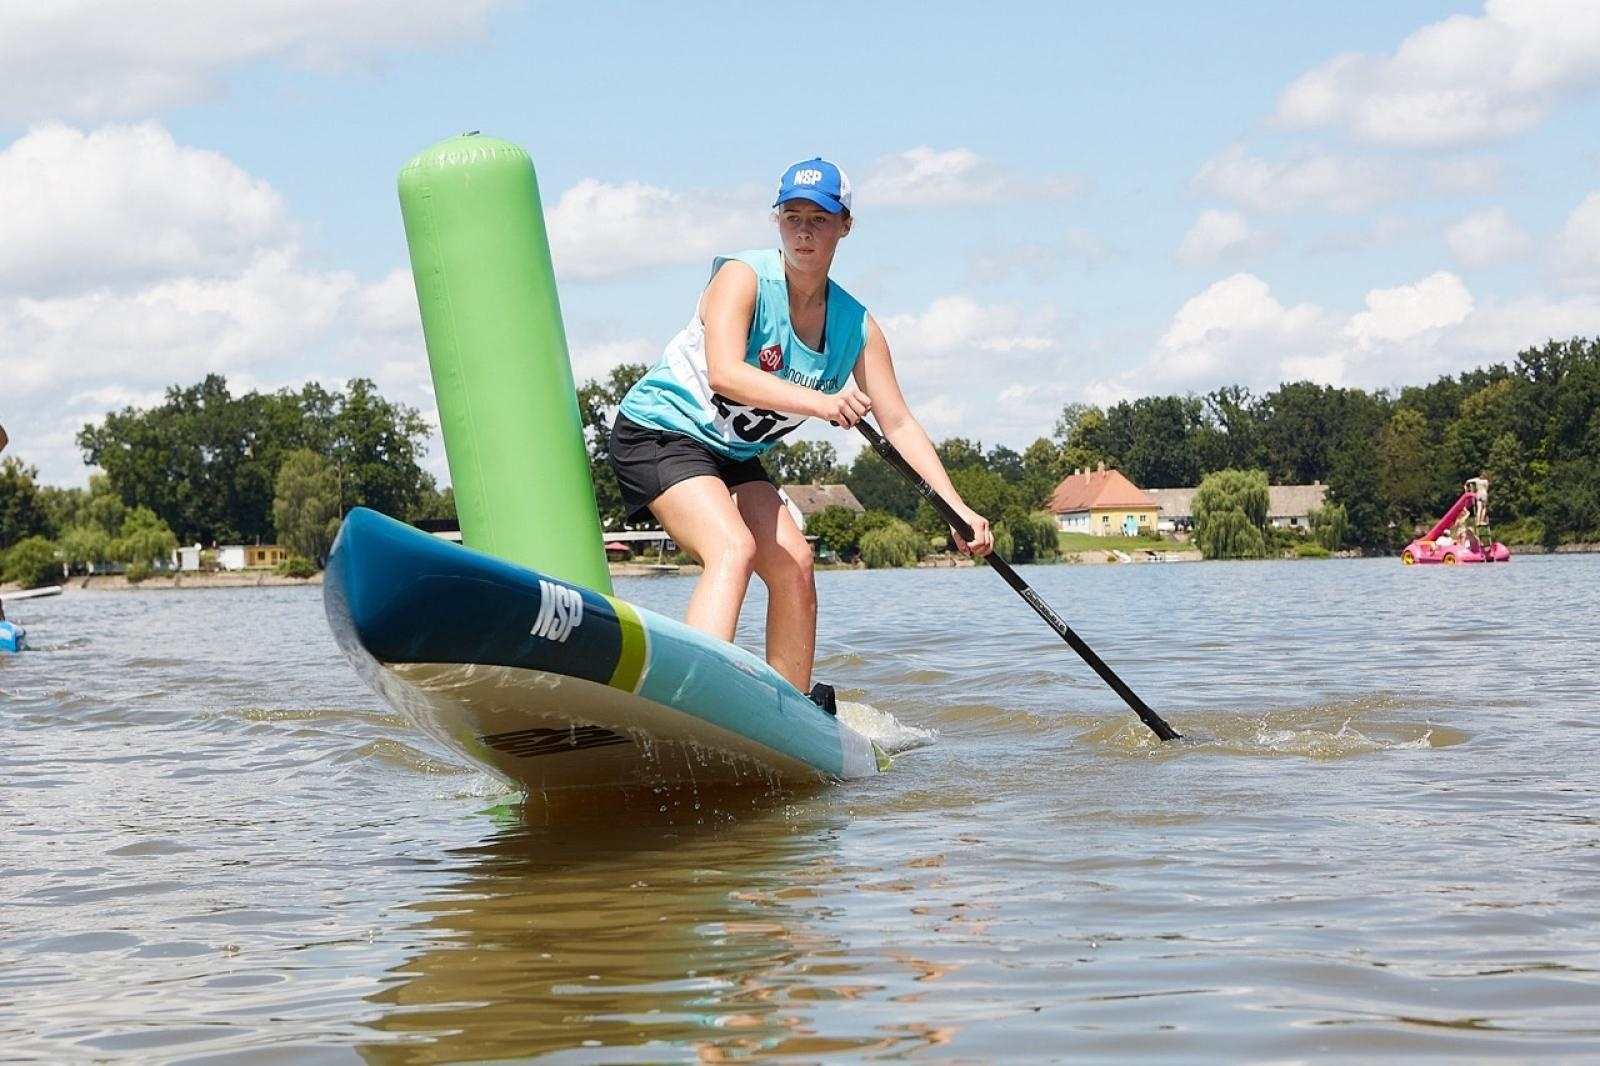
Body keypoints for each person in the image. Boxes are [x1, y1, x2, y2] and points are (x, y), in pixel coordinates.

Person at [609, 157, 993, 710]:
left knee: (795, 562)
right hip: (660, 433)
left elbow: (900, 422)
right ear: (777, 221)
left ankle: (784, 716)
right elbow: (725, 372)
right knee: (732, 547)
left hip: (731, 455)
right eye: (792, 217)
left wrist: (958, 510)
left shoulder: (857, 327)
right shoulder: (742, 278)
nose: (804, 231)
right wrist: (823, 401)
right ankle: (687, 704)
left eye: (820, 217)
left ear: (845, 226)